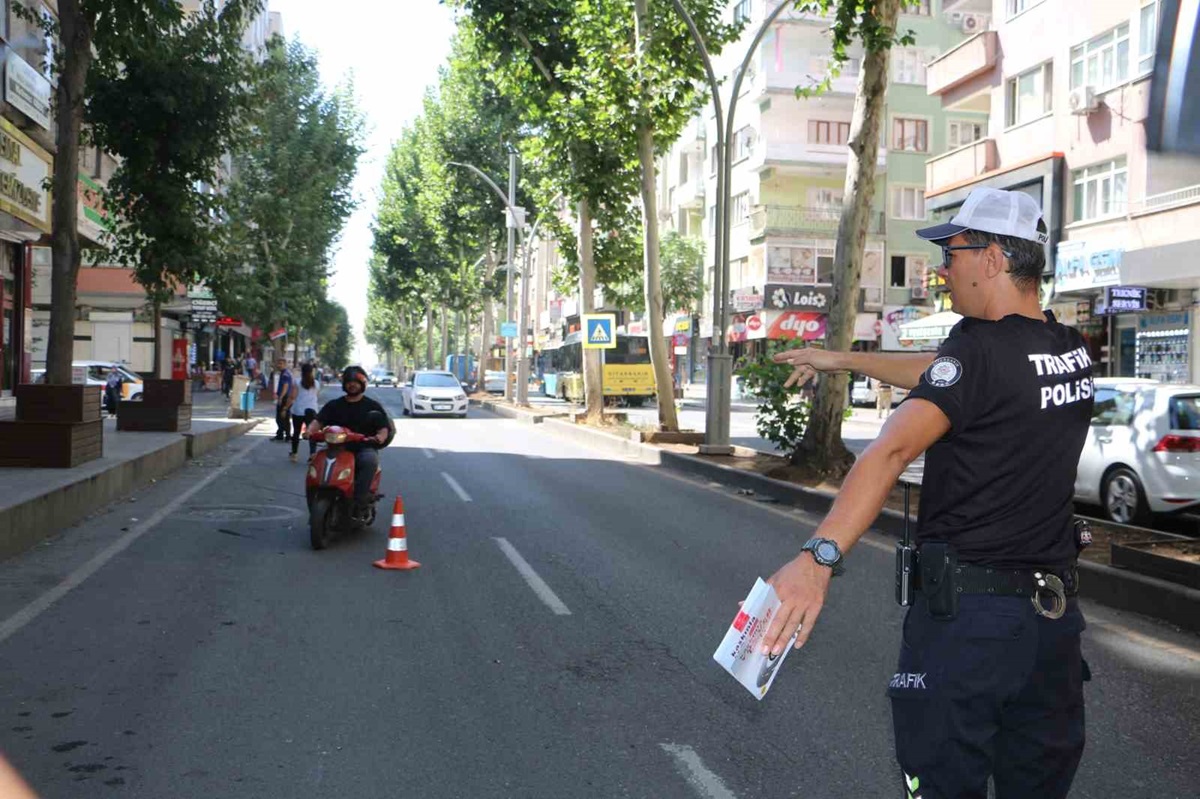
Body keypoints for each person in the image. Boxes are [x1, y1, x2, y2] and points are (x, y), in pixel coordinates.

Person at [759, 187, 1093, 799]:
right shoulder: (1065, 348)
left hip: (970, 629)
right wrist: (844, 360)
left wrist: (818, 560)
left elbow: (889, 449)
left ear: (992, 259)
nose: (943, 268)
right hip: (1052, 630)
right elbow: (948, 372)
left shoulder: (978, 352)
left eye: (953, 251)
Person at [308, 366, 393, 519]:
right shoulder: (334, 405)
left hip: (363, 447)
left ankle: (360, 502)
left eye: (356, 382)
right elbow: (318, 421)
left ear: (362, 384)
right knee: (316, 461)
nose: (352, 385)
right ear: (344, 384)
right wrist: (309, 431)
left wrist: (379, 437)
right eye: (349, 382)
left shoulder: (372, 406)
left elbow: (383, 428)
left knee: (369, 461)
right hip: (336, 447)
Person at [289, 363, 321, 463]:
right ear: (312, 372)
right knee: (312, 433)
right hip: (311, 410)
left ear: (302, 371)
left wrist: (286, 407)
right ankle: (312, 454)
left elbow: (293, 396)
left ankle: (294, 454)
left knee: (296, 432)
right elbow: (316, 395)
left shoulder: (297, 382)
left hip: (298, 410)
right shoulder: (316, 383)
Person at [272, 358, 293, 442]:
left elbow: (286, 386)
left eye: (281, 364)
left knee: (282, 417)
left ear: (285, 364)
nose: (279, 365)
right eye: (278, 363)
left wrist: (280, 397)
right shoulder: (284, 373)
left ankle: (286, 435)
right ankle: (281, 434)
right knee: (282, 418)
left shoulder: (285, 374)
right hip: (285, 397)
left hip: (285, 398)